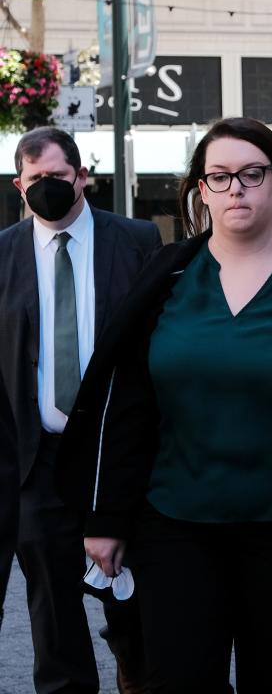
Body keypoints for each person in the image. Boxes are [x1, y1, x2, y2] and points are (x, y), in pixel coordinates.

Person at [55, 117, 272, 693]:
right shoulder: (167, 275)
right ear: (201, 190)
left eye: (251, 174)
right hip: (176, 522)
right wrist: (106, 518)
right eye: (219, 176)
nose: (236, 188)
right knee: (178, 680)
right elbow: (129, 403)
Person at [0, 126, 159, 693]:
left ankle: (135, 667)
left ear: (82, 176)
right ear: (19, 185)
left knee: (134, 597)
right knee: (52, 604)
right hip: (38, 460)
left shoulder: (137, 240)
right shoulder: (4, 254)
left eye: (58, 178)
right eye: (35, 179)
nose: (47, 188)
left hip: (119, 454)